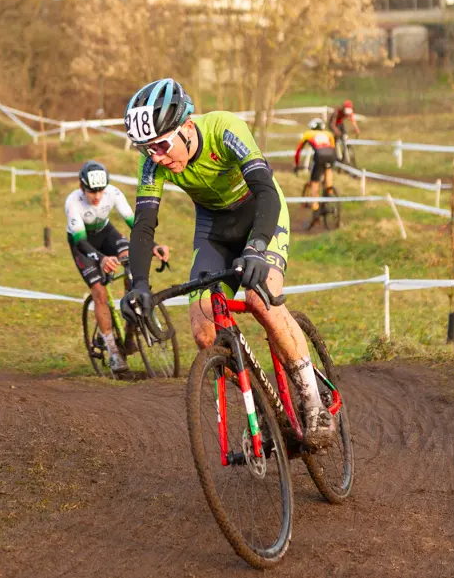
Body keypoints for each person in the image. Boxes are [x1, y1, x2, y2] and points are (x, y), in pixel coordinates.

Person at [120, 78, 334, 448]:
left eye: (160, 145)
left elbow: (266, 191)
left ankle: (313, 401)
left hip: (261, 215)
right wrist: (139, 283)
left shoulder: (224, 128)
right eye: (145, 148)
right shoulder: (153, 165)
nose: (155, 156)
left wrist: (256, 247)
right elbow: (143, 225)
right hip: (214, 230)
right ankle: (266, 407)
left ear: (186, 127)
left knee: (259, 299)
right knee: (204, 330)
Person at [67, 160, 170, 374]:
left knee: (131, 260)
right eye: (91, 192)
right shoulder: (73, 202)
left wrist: (154, 245)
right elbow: (81, 242)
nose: (96, 197)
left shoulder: (113, 193)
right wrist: (102, 259)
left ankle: (132, 312)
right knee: (99, 292)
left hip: (106, 234)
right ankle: (113, 352)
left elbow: (136, 223)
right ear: (81, 188)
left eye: (100, 191)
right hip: (83, 244)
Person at [294, 118, 337, 226]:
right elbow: (332, 146)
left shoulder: (308, 134)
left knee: (315, 181)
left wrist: (297, 164)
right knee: (328, 170)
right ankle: (330, 191)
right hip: (331, 154)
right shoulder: (328, 134)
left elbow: (299, 150)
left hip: (319, 155)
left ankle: (315, 206)